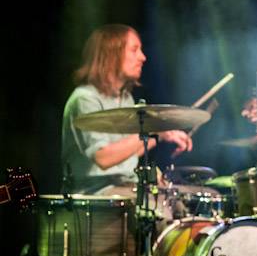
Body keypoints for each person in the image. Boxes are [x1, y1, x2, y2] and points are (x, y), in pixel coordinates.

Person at [61, 24, 192, 195]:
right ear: (111, 54)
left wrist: (162, 135)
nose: (142, 57)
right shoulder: (85, 99)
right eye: (134, 50)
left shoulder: (125, 98)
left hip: (126, 186)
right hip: (95, 194)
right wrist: (153, 129)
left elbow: (129, 152)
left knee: (184, 197)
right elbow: (103, 158)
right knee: (159, 205)